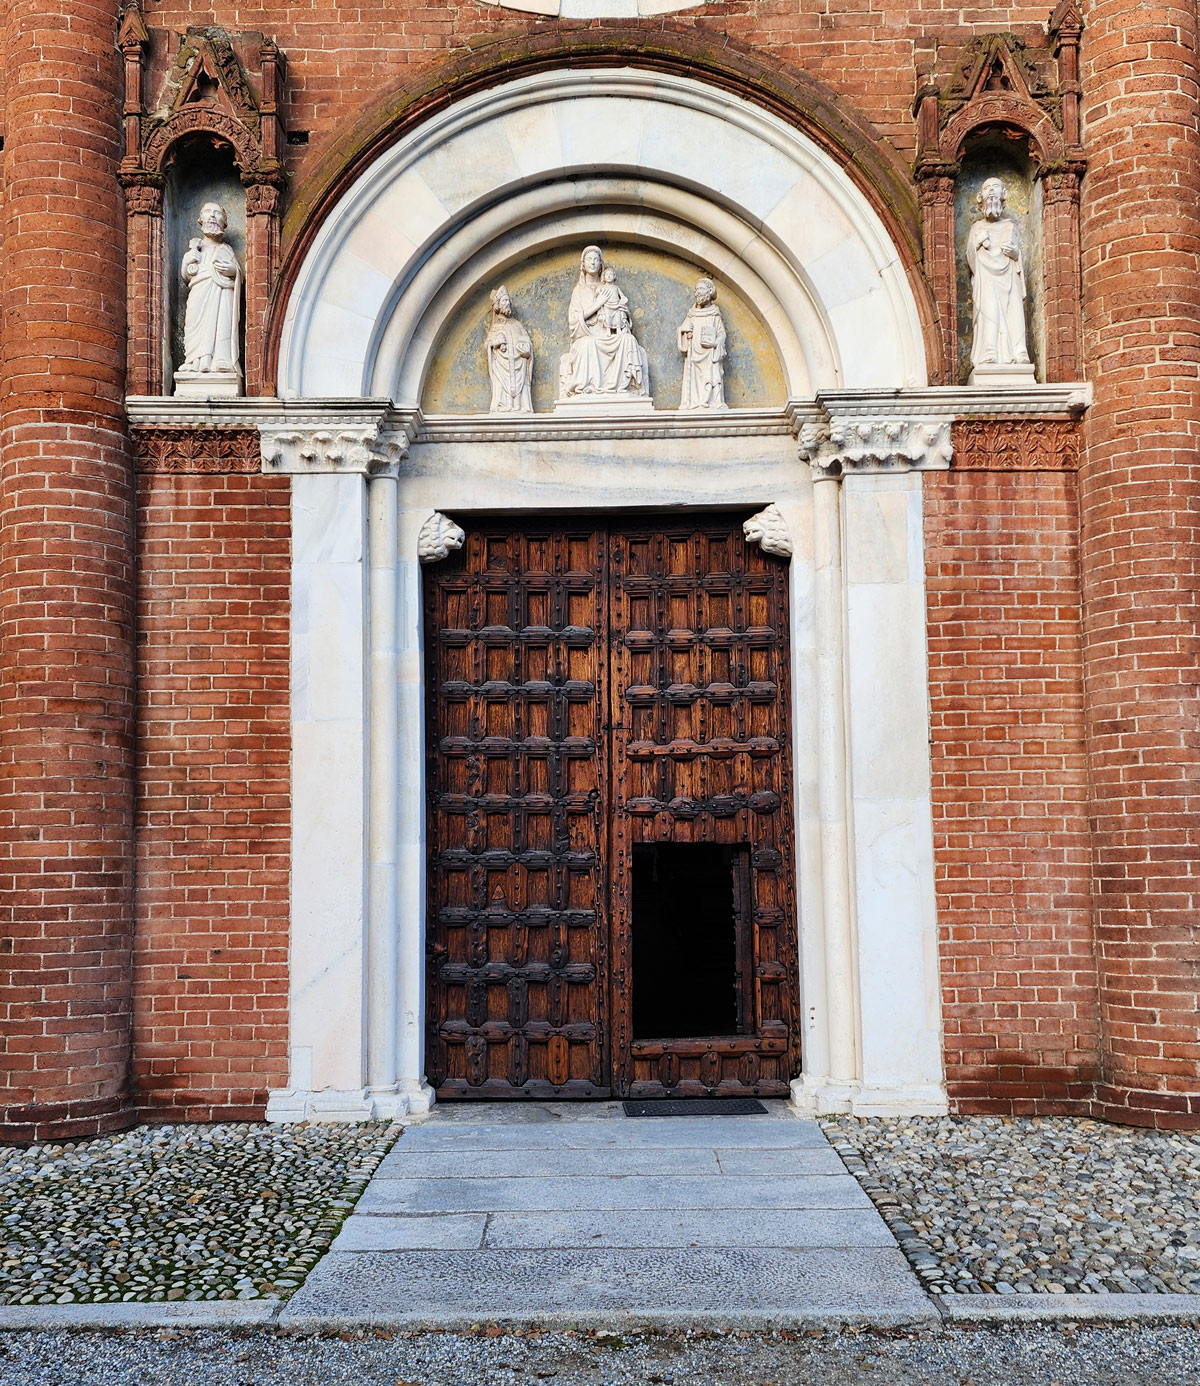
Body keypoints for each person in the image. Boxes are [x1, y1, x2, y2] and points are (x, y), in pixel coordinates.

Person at [558, 246, 650, 399]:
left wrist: (622, 311)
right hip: (589, 336)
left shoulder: (609, 287)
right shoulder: (579, 291)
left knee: (628, 340)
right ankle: (588, 387)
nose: (592, 263)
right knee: (587, 344)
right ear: (583, 264)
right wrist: (599, 304)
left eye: (596, 260)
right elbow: (574, 321)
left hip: (611, 332)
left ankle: (624, 387)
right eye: (589, 259)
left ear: (601, 264)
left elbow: (623, 309)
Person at [966, 178, 1031, 372]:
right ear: (981, 197)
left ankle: (1019, 351)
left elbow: (1020, 256)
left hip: (1008, 276)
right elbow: (970, 257)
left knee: (1014, 311)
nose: (991, 192)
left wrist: (1015, 254)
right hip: (986, 279)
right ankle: (989, 351)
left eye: (996, 188)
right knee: (989, 310)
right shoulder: (977, 228)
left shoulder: (1010, 226)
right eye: (987, 188)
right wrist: (977, 243)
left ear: (1003, 196)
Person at [177, 202, 242, 387]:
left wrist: (233, 271)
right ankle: (194, 361)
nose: (212, 216)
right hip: (199, 291)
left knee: (222, 322)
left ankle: (221, 360)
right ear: (200, 219)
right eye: (207, 212)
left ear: (225, 222)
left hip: (222, 293)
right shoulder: (194, 250)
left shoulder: (226, 250)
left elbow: (237, 273)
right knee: (195, 322)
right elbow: (186, 274)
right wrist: (190, 260)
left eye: (217, 213)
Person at [677, 277, 728, 411]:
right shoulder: (692, 313)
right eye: (697, 289)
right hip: (694, 354)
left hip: (709, 353)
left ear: (709, 291)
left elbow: (721, 333)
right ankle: (694, 403)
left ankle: (712, 401)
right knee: (694, 379)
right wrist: (684, 331)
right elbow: (682, 328)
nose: (698, 292)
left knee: (712, 376)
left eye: (701, 289)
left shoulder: (714, 313)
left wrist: (715, 343)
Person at [484, 285, 533, 413]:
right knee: (502, 383)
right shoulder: (496, 326)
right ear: (498, 305)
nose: (508, 303)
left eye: (508, 301)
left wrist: (527, 350)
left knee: (519, 383)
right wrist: (496, 342)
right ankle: (504, 405)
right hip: (502, 365)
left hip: (518, 364)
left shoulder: (517, 325)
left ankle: (519, 405)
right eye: (504, 301)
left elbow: (527, 341)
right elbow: (488, 345)